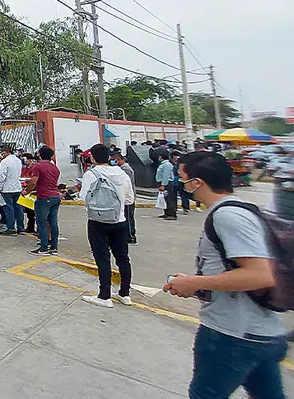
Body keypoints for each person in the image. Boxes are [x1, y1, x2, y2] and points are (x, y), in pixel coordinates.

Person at [164, 151, 286, 399]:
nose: (180, 184)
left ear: (196, 182)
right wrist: (193, 284)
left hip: (232, 334)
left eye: (182, 177)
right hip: (260, 332)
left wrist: (194, 282)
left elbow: (260, 275)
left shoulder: (227, 216)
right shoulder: (238, 210)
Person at [79, 144, 135, 309]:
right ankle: (125, 294)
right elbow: (130, 200)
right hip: (119, 220)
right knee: (123, 258)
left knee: (102, 259)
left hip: (98, 222)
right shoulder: (122, 173)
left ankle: (105, 295)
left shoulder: (91, 173)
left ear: (92, 158)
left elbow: (83, 198)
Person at [25, 146, 61, 255]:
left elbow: (33, 182)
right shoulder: (55, 168)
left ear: (39, 155)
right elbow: (50, 183)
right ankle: (54, 247)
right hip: (55, 196)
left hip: (44, 198)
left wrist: (27, 191)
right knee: (53, 222)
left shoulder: (38, 166)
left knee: (41, 222)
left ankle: (43, 247)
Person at [0, 144, 24, 236]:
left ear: (4, 152)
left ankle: (11, 228)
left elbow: (2, 177)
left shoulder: (4, 162)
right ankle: (21, 228)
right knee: (18, 208)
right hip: (17, 187)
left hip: (7, 189)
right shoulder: (18, 160)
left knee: (9, 209)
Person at [112, 150, 138, 244]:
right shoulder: (122, 168)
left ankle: (130, 236)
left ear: (118, 159)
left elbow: (126, 184)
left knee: (128, 217)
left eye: (113, 160)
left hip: (127, 197)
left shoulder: (125, 169)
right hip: (125, 197)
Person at [155, 151, 177, 220]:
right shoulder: (163, 164)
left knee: (169, 198)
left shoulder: (167, 165)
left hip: (167, 183)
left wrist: (163, 185)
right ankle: (166, 212)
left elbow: (166, 176)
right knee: (165, 199)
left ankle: (172, 214)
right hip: (162, 182)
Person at [20, 154, 37, 234]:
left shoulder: (34, 168)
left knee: (34, 211)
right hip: (24, 189)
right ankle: (30, 226)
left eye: (25, 159)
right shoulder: (23, 169)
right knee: (28, 211)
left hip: (32, 190)